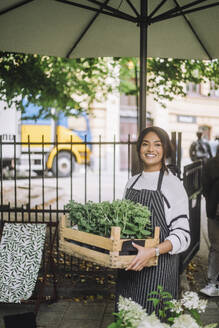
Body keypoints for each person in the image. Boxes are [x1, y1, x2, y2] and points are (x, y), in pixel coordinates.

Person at [115, 126, 191, 315]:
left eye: (157, 145)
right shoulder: (131, 182)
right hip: (129, 268)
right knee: (127, 319)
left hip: (159, 272)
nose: (151, 150)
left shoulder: (172, 184)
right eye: (145, 144)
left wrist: (153, 251)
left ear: (165, 150)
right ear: (139, 148)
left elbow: (183, 235)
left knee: (155, 319)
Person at [200, 146, 219, 297]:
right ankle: (213, 282)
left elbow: (205, 189)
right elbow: (205, 188)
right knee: (215, 247)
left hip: (214, 210)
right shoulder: (211, 164)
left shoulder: (211, 164)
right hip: (215, 211)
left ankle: (213, 282)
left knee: (215, 247)